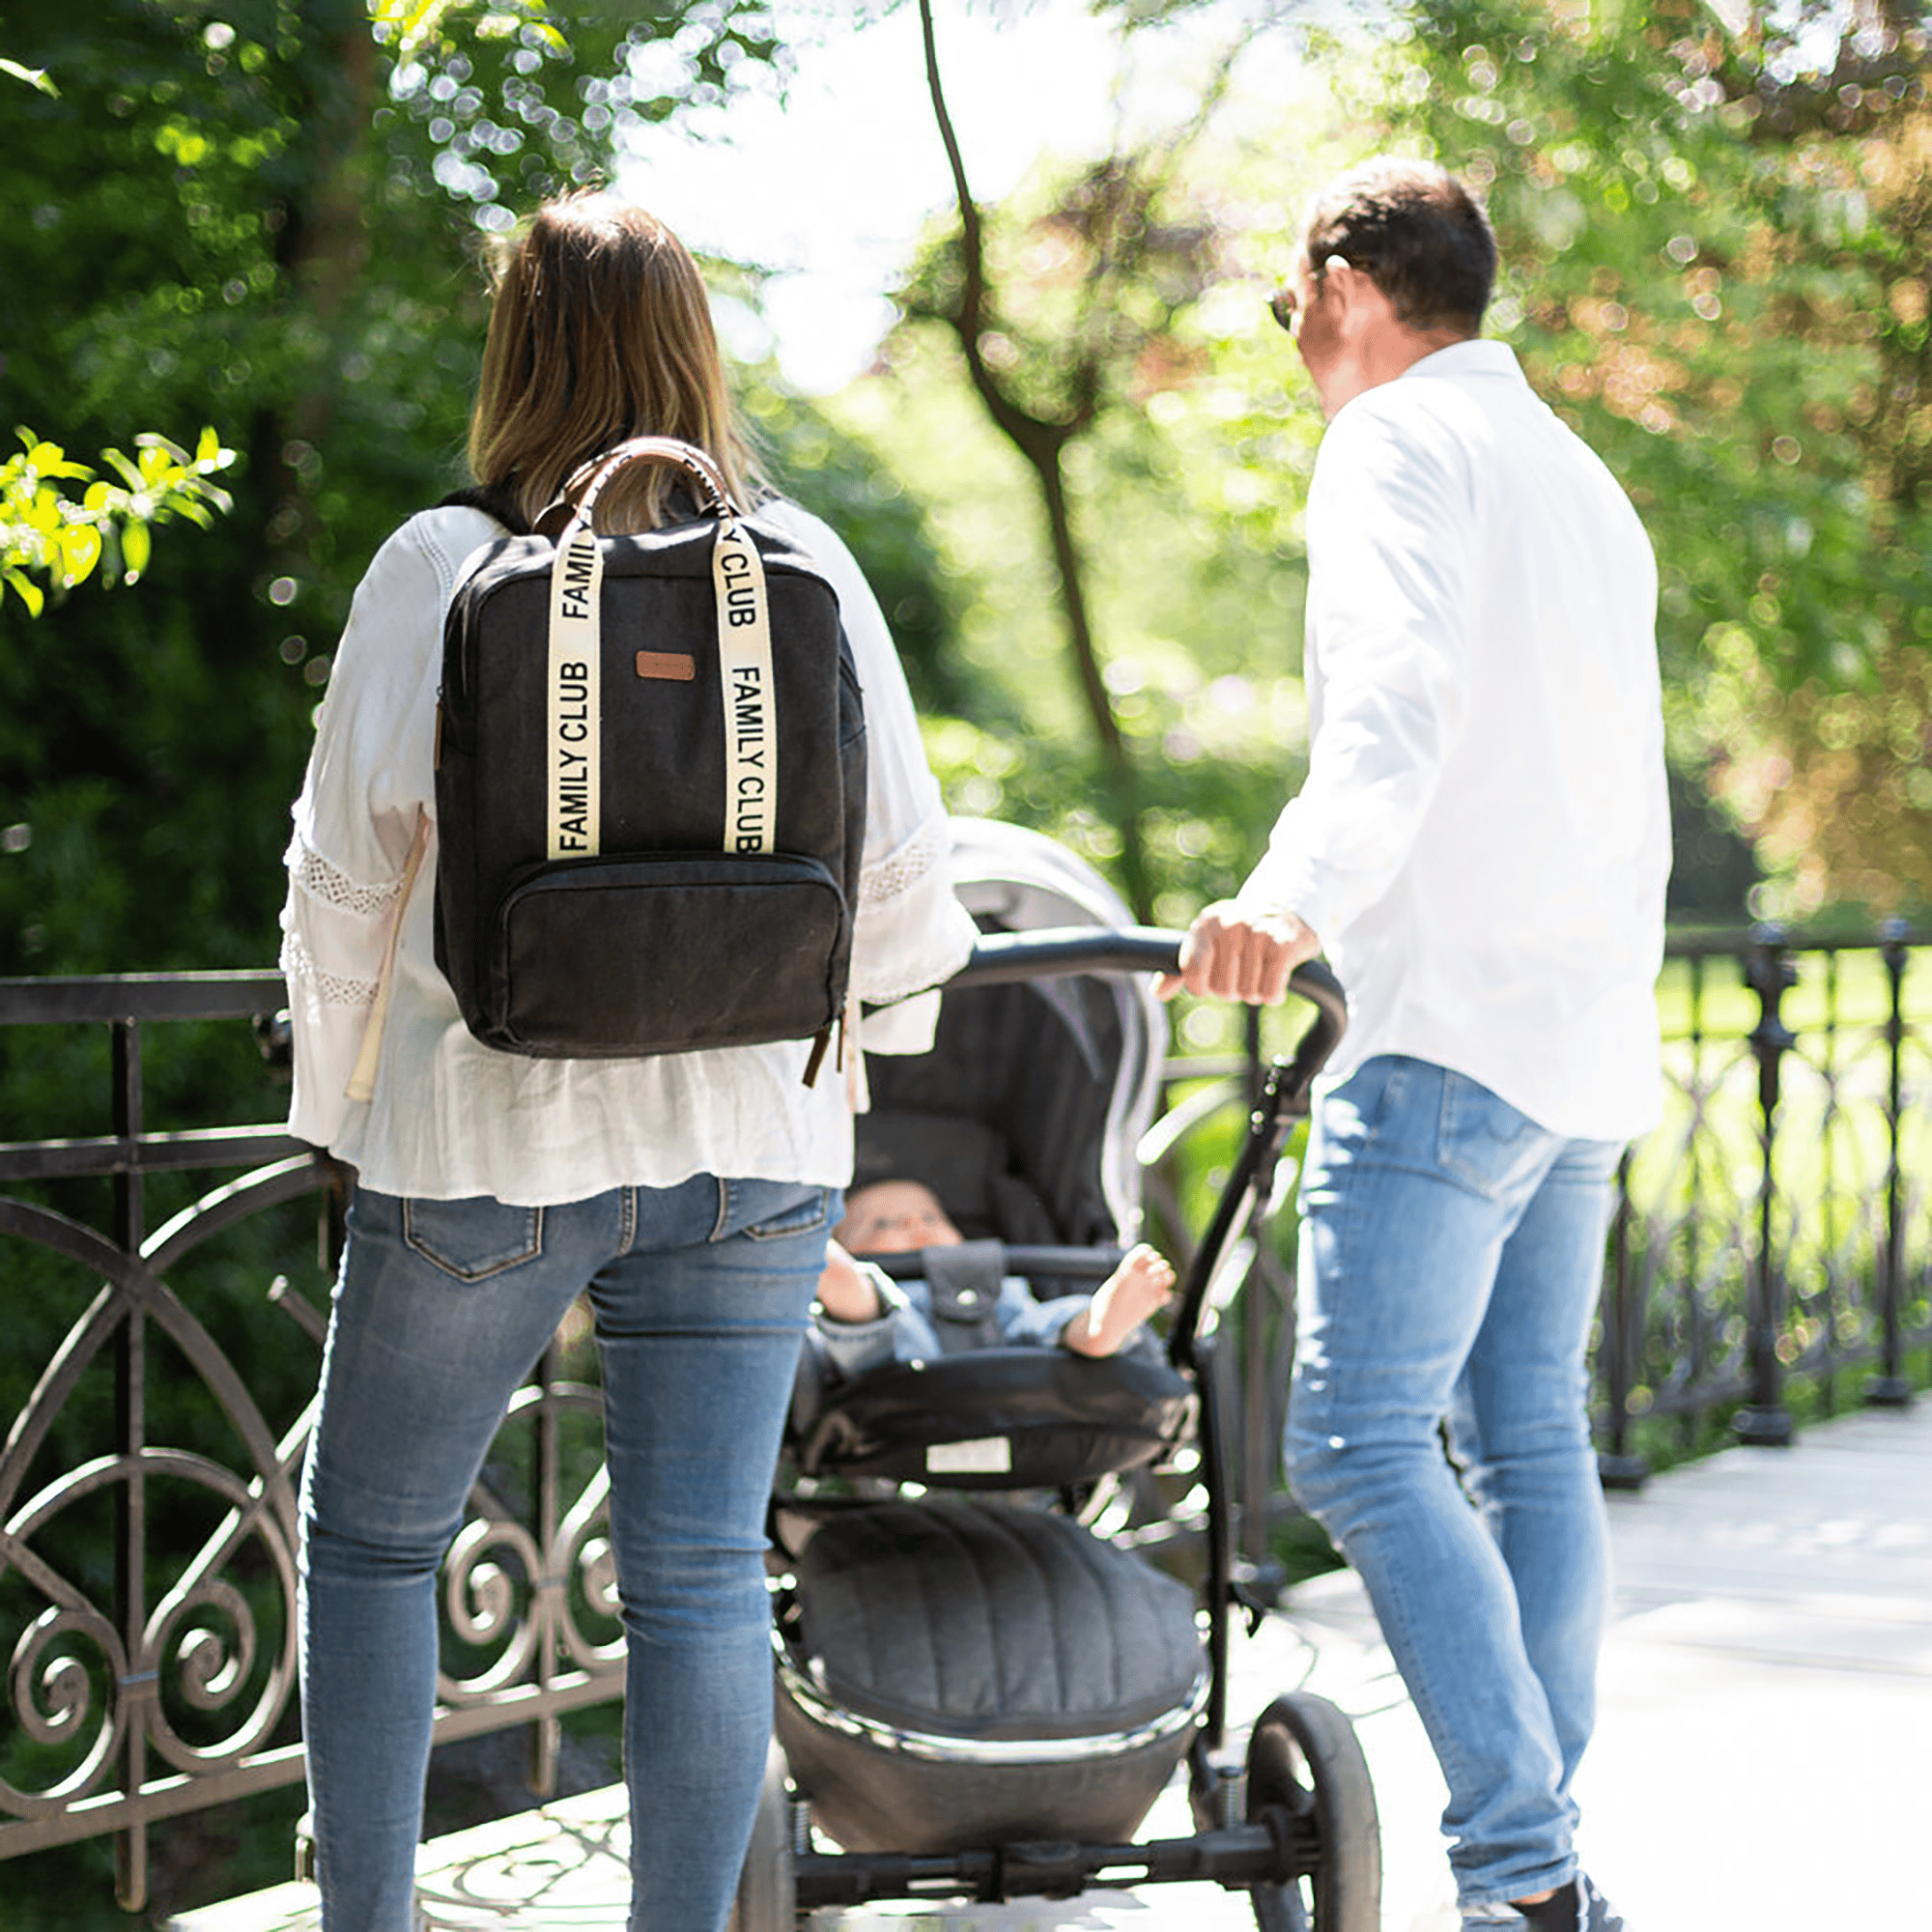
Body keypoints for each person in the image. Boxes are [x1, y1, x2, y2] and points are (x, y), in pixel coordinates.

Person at [277, 191, 979, 1932]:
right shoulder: (800, 560)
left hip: (487, 1135)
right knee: (697, 1578)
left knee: (374, 1544)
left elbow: (344, 872)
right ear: (694, 349)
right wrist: (855, 1057)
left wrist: (336, 1113)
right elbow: (903, 878)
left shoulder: (444, 563)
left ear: (516, 346)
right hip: (760, 1146)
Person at [1162, 157, 1668, 1932]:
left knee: (1361, 1443)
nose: (1293, 338)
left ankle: (1528, 1876)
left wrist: (1286, 901)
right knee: (1527, 1437)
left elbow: (1392, 706)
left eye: (1289, 304)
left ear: (1347, 287)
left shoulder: (1392, 440)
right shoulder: (1581, 476)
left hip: (1450, 1028)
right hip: (1583, 1037)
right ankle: (1546, 1847)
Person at [808, 1176, 1176, 1384]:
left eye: (931, 1217)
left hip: (1004, 1340)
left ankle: (1093, 1327)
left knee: (1040, 1320)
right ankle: (830, 1268)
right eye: (882, 1224)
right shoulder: (888, 1284)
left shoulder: (992, 1274)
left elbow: (1026, 1321)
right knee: (871, 1314)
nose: (914, 1224)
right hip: (898, 1357)